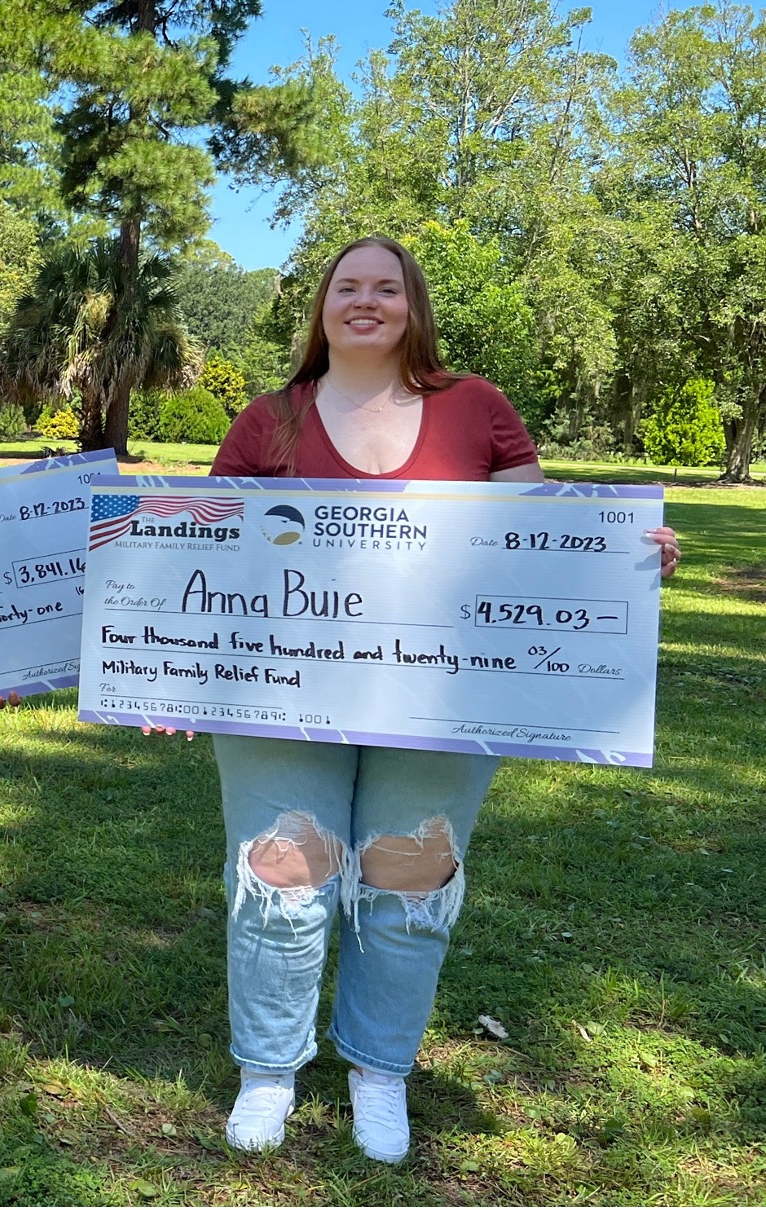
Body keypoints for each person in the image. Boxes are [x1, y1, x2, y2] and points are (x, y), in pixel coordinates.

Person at [198, 236, 682, 1161]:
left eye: (387, 287)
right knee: (280, 876)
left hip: (446, 698)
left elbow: (538, 544)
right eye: (348, 286)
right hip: (280, 696)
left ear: (414, 306)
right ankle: (268, 1069)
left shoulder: (476, 410)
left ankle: (379, 1070)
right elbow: (203, 559)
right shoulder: (270, 420)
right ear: (322, 307)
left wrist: (626, 556)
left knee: (406, 878)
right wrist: (163, 665)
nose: (366, 301)